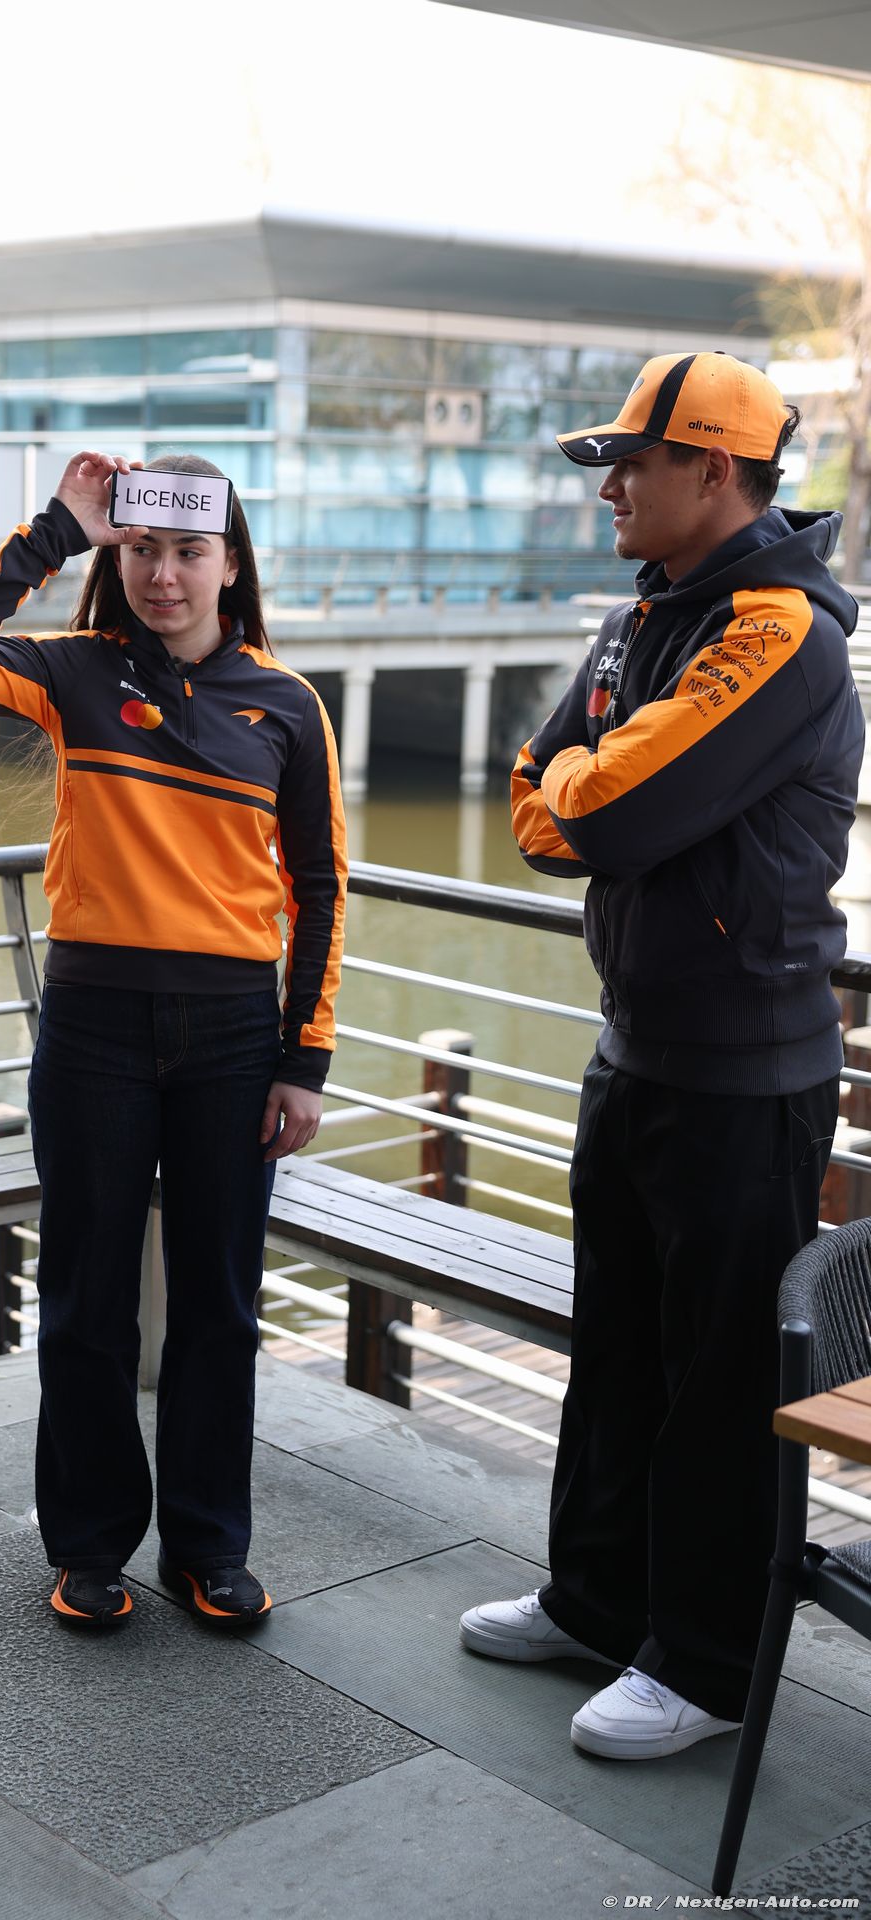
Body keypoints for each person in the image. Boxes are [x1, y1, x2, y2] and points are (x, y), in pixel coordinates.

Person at [459, 351, 863, 1759]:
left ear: (715, 470)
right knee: (619, 1343)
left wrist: (594, 780)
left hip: (747, 1068)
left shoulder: (778, 635)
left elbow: (600, 816)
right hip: (637, 1045)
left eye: (634, 462)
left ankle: (705, 1663)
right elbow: (537, 795)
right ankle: (596, 1600)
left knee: (719, 1377)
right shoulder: (647, 615)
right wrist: (595, 778)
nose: (611, 488)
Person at [0, 451, 346, 1628]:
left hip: (231, 1037)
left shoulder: (286, 706)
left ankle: (207, 1547)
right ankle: (90, 1543)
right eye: (143, 549)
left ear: (230, 564)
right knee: (85, 1298)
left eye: (188, 551)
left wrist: (302, 1059)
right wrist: (56, 531)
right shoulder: (74, 673)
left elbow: (318, 886)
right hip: (93, 1027)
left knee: (217, 1304)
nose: (163, 575)